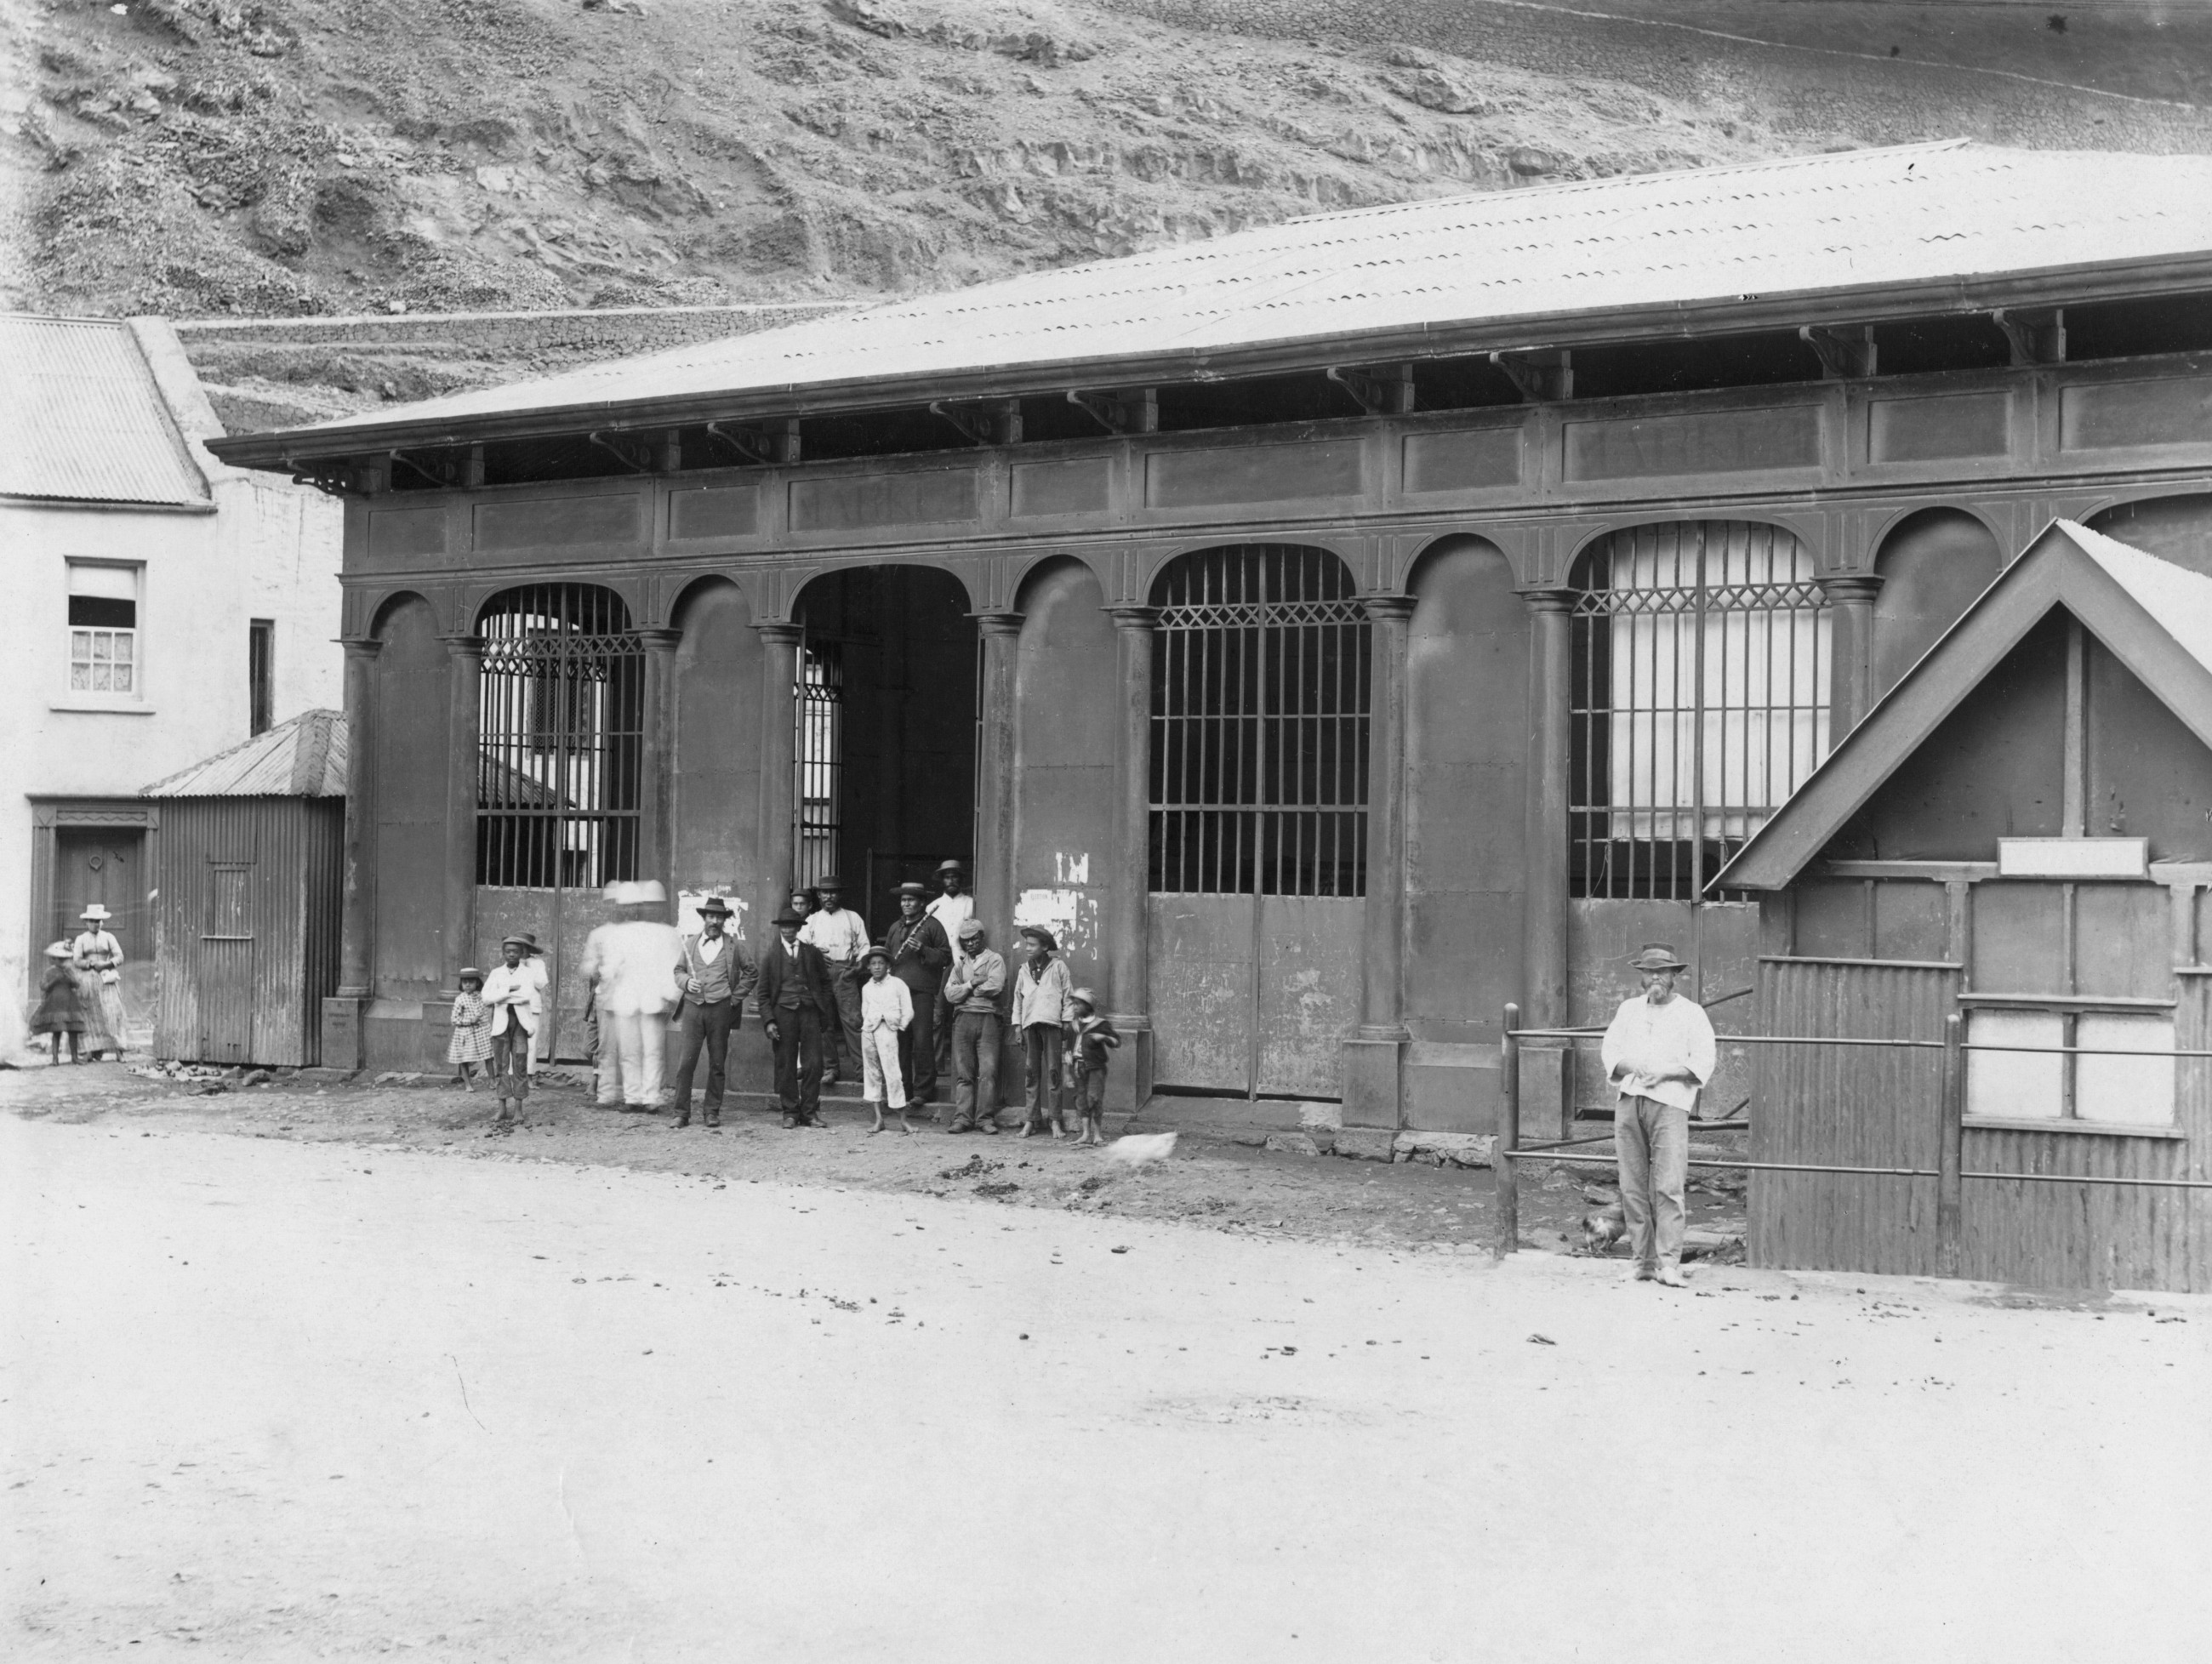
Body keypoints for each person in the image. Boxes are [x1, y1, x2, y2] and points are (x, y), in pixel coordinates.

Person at [1599, 943, 1717, 1289]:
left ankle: (1668, 1264)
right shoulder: (1628, 1010)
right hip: (1629, 1101)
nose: (1655, 978)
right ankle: (1642, 1263)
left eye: (1662, 972)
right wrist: (1632, 1065)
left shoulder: (1692, 1013)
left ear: (1674, 975)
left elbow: (1704, 1060)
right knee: (1632, 1186)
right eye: (1649, 971)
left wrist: (1666, 1072)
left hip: (1670, 1103)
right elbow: (1610, 1052)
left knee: (1668, 1186)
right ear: (1641, 976)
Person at [579, 880, 683, 1112]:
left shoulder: (668, 933)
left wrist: (670, 995)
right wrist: (607, 974)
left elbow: (674, 966)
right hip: (625, 999)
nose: (650, 909)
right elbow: (610, 965)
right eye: (646, 904)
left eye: (655, 905)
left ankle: (651, 1097)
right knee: (629, 1051)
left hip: (654, 1000)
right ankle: (633, 1097)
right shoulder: (622, 933)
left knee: (653, 1051)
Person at [672, 896, 757, 1130]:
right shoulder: (690, 943)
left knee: (717, 1063)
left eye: (719, 917)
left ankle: (711, 1112)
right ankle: (681, 1113)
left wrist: (735, 998)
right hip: (693, 1008)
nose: (715, 921)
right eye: (711, 916)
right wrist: (687, 982)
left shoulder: (734, 946)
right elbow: (678, 970)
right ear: (704, 918)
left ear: (724, 920)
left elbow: (752, 972)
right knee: (685, 1063)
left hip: (721, 1009)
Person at [757, 907, 838, 1127]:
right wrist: (769, 1020)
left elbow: (826, 984)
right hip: (783, 1014)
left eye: (792, 926)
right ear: (779, 928)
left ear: (798, 928)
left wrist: (823, 1008)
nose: (788, 930)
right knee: (786, 1064)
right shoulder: (771, 956)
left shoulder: (812, 953)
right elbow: (762, 994)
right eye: (784, 926)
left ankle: (809, 1113)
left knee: (814, 1064)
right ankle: (790, 1113)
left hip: (809, 1013)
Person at [884, 881, 950, 1108]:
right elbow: (887, 956)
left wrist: (922, 949)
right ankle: (903, 1090)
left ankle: (923, 1091)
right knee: (900, 1042)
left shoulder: (932, 925)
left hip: (922, 992)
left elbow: (945, 957)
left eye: (911, 900)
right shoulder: (895, 927)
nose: (906, 904)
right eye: (903, 900)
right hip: (896, 993)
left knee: (922, 1041)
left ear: (922, 903)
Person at [800, 873, 869, 1086]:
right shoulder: (811, 920)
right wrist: (815, 954)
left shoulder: (852, 917)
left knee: (854, 1022)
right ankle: (830, 1069)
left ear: (839, 895)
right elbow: (801, 948)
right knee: (824, 1023)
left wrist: (858, 967)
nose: (829, 896)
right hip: (820, 975)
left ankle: (862, 1070)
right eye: (824, 892)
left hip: (845, 973)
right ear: (819, 896)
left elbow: (864, 946)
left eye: (833, 892)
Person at [944, 918, 1007, 1135]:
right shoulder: (960, 965)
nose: (970, 944)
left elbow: (996, 986)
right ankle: (962, 1118)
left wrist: (967, 992)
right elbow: (950, 995)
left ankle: (985, 1119)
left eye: (974, 939)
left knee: (988, 1071)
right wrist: (971, 984)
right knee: (964, 1072)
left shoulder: (994, 959)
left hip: (989, 1019)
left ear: (982, 937)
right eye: (965, 940)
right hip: (963, 1019)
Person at [1011, 924, 1074, 1139]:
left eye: (1032, 945)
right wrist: (1018, 1027)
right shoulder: (1024, 969)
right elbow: (1018, 999)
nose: (1027, 948)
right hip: (1030, 1027)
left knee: (1054, 1073)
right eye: (1026, 944)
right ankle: (1031, 1120)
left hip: (1052, 1026)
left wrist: (1066, 1022)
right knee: (1031, 1074)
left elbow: (1068, 996)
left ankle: (1055, 1120)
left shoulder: (1058, 967)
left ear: (1045, 947)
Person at [480, 932, 544, 1133]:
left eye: (515, 952)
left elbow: (526, 996)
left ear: (521, 953)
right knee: (501, 1065)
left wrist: (501, 995)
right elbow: (486, 997)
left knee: (520, 1064)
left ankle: (518, 1107)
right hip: (500, 1023)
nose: (511, 955)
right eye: (508, 952)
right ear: (503, 953)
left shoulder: (527, 973)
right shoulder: (496, 973)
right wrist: (508, 992)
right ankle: (501, 1107)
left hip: (520, 1023)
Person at [858, 943, 915, 1135]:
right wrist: (868, 1025)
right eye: (873, 963)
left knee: (893, 1074)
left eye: (880, 963)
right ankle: (879, 1119)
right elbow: (865, 1010)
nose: (876, 967)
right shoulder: (867, 988)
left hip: (888, 1030)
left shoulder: (898, 984)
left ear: (888, 965)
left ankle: (903, 1121)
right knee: (872, 1073)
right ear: (868, 966)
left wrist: (899, 1026)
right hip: (869, 1031)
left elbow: (908, 1009)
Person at [925, 859, 973, 1081]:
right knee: (937, 1014)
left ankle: (961, 1066)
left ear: (960, 879)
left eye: (955, 876)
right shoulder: (933, 907)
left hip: (964, 962)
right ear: (942, 880)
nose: (951, 880)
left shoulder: (971, 903)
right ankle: (936, 1066)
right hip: (940, 963)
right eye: (947, 876)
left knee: (962, 1012)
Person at [71, 903, 128, 1061]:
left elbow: (119, 956)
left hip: (106, 978)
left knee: (112, 1013)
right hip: (88, 980)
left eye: (98, 921)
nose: (96, 924)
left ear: (102, 922)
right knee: (89, 1014)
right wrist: (90, 964)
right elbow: (76, 960)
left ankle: (119, 1051)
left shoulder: (109, 937)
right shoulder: (81, 939)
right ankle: (90, 1050)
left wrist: (107, 964)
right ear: (86, 922)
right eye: (92, 921)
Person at [1066, 987, 1119, 1148]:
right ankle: (1086, 1134)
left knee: (1094, 1098)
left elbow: (1116, 1041)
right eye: (1074, 1004)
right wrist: (1067, 1072)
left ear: (1088, 1006)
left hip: (1096, 1068)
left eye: (1078, 1004)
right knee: (1081, 1099)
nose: (1075, 1007)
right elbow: (1067, 1050)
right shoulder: (1073, 1026)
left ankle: (1097, 1134)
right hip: (1078, 1067)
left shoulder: (1101, 1024)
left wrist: (1104, 1037)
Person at [31, 942, 84, 1065]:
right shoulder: (49, 972)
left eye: (64, 959)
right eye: (59, 959)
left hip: (70, 1003)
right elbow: (43, 986)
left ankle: (74, 1057)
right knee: (57, 1031)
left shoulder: (69, 971)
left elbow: (76, 984)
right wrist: (55, 980)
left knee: (73, 1030)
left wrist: (69, 977)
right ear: (53, 960)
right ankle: (55, 1059)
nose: (62, 962)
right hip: (55, 1004)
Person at [448, 967, 492, 1091]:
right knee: (464, 1059)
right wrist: (470, 1020)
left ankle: (492, 1081)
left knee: (488, 1056)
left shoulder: (482, 996)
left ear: (477, 983)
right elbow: (454, 1019)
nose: (467, 985)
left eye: (471, 982)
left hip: (481, 1031)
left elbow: (487, 1011)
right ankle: (468, 1084)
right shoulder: (460, 999)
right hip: (465, 1033)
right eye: (464, 982)